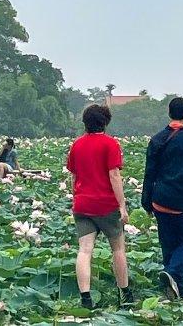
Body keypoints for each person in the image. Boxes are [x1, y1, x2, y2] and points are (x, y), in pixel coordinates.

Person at [141, 97, 183, 300]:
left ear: (169, 113)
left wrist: (146, 201)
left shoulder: (156, 139)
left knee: (168, 245)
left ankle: (177, 293)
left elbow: (149, 173)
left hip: (160, 200)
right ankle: (172, 273)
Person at [66, 104, 132, 309]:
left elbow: (73, 176)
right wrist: (122, 205)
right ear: (105, 122)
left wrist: (76, 198)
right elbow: (114, 175)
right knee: (118, 249)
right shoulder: (110, 144)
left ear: (85, 122)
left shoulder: (76, 145)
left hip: (83, 204)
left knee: (84, 251)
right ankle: (125, 295)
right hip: (106, 204)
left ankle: (85, 298)